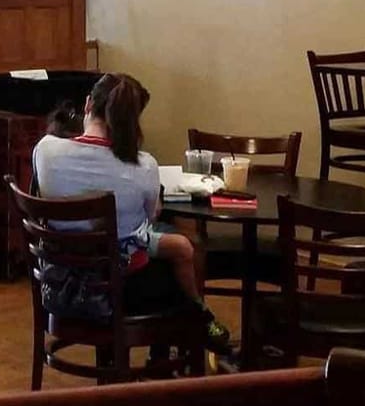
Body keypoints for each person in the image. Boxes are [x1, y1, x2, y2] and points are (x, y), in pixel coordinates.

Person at [32, 72, 230, 351]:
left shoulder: (45, 150)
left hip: (58, 284)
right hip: (120, 290)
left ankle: (191, 326)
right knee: (178, 263)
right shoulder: (143, 166)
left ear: (88, 104)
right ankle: (190, 328)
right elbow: (148, 221)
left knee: (175, 246)